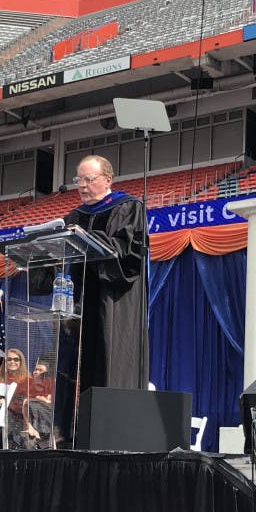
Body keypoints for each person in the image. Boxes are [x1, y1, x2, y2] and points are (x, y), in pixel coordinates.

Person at [63, 154, 148, 390]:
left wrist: (88, 238)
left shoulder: (129, 207)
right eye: (78, 179)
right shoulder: (74, 216)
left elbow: (128, 253)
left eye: (88, 179)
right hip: (77, 304)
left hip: (111, 300)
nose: (82, 185)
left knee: (105, 359)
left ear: (108, 180)